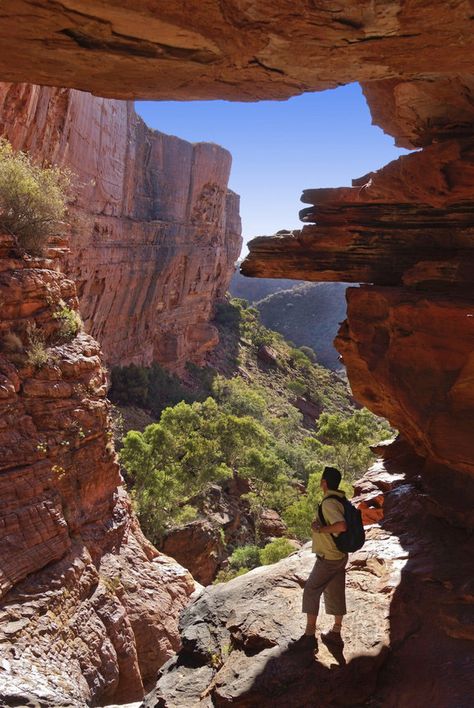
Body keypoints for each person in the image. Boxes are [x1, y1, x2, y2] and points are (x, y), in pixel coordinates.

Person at [299, 466, 348, 650]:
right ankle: (336, 632)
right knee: (335, 591)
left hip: (329, 557)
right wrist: (320, 525)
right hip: (340, 554)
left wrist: (320, 529)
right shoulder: (340, 498)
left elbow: (341, 526)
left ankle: (309, 636)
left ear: (324, 482)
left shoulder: (328, 502)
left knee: (311, 590)